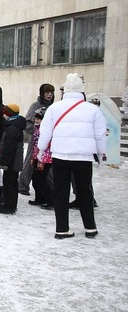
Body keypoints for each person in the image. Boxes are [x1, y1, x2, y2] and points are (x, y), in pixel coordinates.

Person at [37, 73, 106, 239]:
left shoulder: (54, 108)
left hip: (60, 155)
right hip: (83, 157)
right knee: (85, 191)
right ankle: (90, 227)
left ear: (65, 90)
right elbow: (100, 135)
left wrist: (40, 150)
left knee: (60, 192)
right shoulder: (92, 109)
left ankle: (62, 229)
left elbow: (45, 133)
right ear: (82, 90)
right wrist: (100, 153)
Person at [18, 83, 55, 195]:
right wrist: (37, 131)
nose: (49, 95)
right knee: (30, 163)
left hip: (49, 140)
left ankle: (51, 188)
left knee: (47, 164)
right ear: (42, 93)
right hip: (36, 140)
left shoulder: (53, 107)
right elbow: (27, 122)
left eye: (51, 93)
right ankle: (22, 185)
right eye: (47, 92)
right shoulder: (35, 105)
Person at [0, 104, 27, 215]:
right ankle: (8, 204)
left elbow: (9, 147)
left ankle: (9, 206)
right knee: (10, 183)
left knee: (10, 184)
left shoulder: (12, 128)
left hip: (11, 162)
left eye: (5, 113)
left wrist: (4, 161)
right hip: (13, 161)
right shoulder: (14, 125)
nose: (3, 115)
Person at [29, 107, 53, 209]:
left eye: (39, 119)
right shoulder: (37, 129)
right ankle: (40, 198)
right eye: (35, 119)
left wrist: (40, 160)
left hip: (44, 158)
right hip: (37, 157)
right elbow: (35, 145)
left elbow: (45, 146)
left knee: (40, 180)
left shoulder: (45, 131)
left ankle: (51, 200)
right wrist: (34, 157)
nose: (36, 121)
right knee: (35, 178)